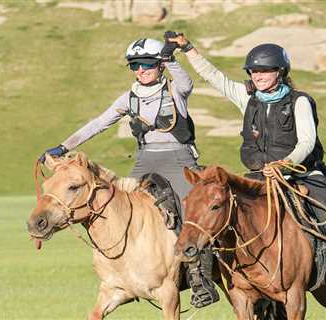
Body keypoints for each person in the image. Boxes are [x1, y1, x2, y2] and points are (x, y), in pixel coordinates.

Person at [167, 32, 326, 304]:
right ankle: (204, 281)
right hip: (258, 176)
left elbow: (307, 141)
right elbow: (214, 78)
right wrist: (189, 49)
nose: (259, 75)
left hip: (301, 173)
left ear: (280, 72)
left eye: (266, 70)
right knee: (218, 214)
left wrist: (284, 163)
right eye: (254, 71)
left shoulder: (299, 101)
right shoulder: (248, 98)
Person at [39, 36, 219, 308]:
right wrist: (64, 145)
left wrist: (171, 58)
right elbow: (99, 123)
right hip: (145, 162)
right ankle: (123, 271)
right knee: (118, 207)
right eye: (135, 65)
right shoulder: (129, 98)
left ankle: (200, 278)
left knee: (190, 213)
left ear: (158, 65)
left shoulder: (174, 91)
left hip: (179, 160)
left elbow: (187, 83)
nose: (141, 70)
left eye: (147, 63)